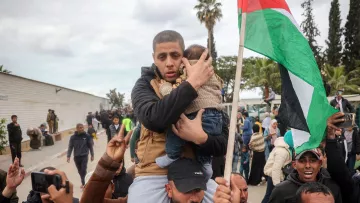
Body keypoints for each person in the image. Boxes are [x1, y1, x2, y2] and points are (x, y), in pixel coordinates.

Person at [130, 30, 227, 203]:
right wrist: (192, 83)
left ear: (184, 56)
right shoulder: (145, 85)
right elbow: (154, 119)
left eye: (175, 55)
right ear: (154, 58)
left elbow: (223, 143)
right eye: (162, 57)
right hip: (155, 173)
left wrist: (202, 138)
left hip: (194, 174)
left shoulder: (208, 84)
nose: (169, 63)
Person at [155, 44, 223, 180]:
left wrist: (164, 87)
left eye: (176, 57)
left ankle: (171, 155)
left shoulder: (189, 75)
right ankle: (206, 164)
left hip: (195, 113)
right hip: (216, 116)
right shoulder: (213, 75)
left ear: (185, 63)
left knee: (174, 131)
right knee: (205, 143)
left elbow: (173, 93)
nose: (169, 64)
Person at [268, 148, 342, 203]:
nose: (307, 165)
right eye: (302, 161)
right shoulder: (281, 191)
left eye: (312, 161)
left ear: (320, 164)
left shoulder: (331, 187)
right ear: (294, 165)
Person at [262, 133, 293, 203]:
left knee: (270, 196)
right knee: (269, 197)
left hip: (276, 176)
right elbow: (276, 168)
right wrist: (277, 185)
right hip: (274, 176)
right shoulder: (282, 151)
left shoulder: (286, 148)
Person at [67, 123, 94, 188]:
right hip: (76, 157)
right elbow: (70, 147)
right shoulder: (73, 137)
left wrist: (92, 155)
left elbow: (90, 146)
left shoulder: (87, 136)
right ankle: (84, 181)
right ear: (77, 129)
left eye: (82, 127)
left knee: (83, 170)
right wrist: (68, 156)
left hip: (84, 156)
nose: (81, 129)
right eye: (80, 127)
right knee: (80, 171)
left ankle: (84, 183)